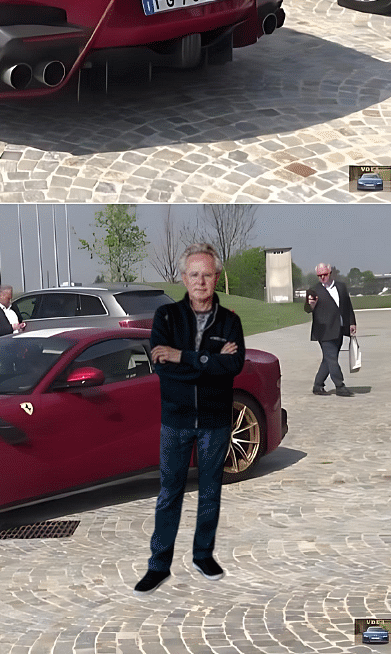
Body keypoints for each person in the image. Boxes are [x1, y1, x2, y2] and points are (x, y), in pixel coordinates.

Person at [134, 242, 246, 596]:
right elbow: (162, 368)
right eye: (194, 274)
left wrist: (184, 357)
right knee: (169, 494)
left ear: (216, 278)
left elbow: (234, 365)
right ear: (184, 278)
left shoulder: (230, 321)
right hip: (176, 421)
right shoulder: (166, 318)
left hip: (215, 421)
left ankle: (203, 556)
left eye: (207, 275)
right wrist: (209, 360)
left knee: (211, 491)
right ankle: (158, 565)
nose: (200, 281)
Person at [305, 263, 357, 397]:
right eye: (320, 275)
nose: (322, 277)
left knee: (328, 359)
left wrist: (352, 323)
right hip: (323, 331)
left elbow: (348, 306)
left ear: (330, 273)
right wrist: (310, 305)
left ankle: (318, 385)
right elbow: (307, 309)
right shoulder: (314, 290)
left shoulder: (341, 287)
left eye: (325, 274)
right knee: (332, 358)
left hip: (339, 329)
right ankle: (340, 386)